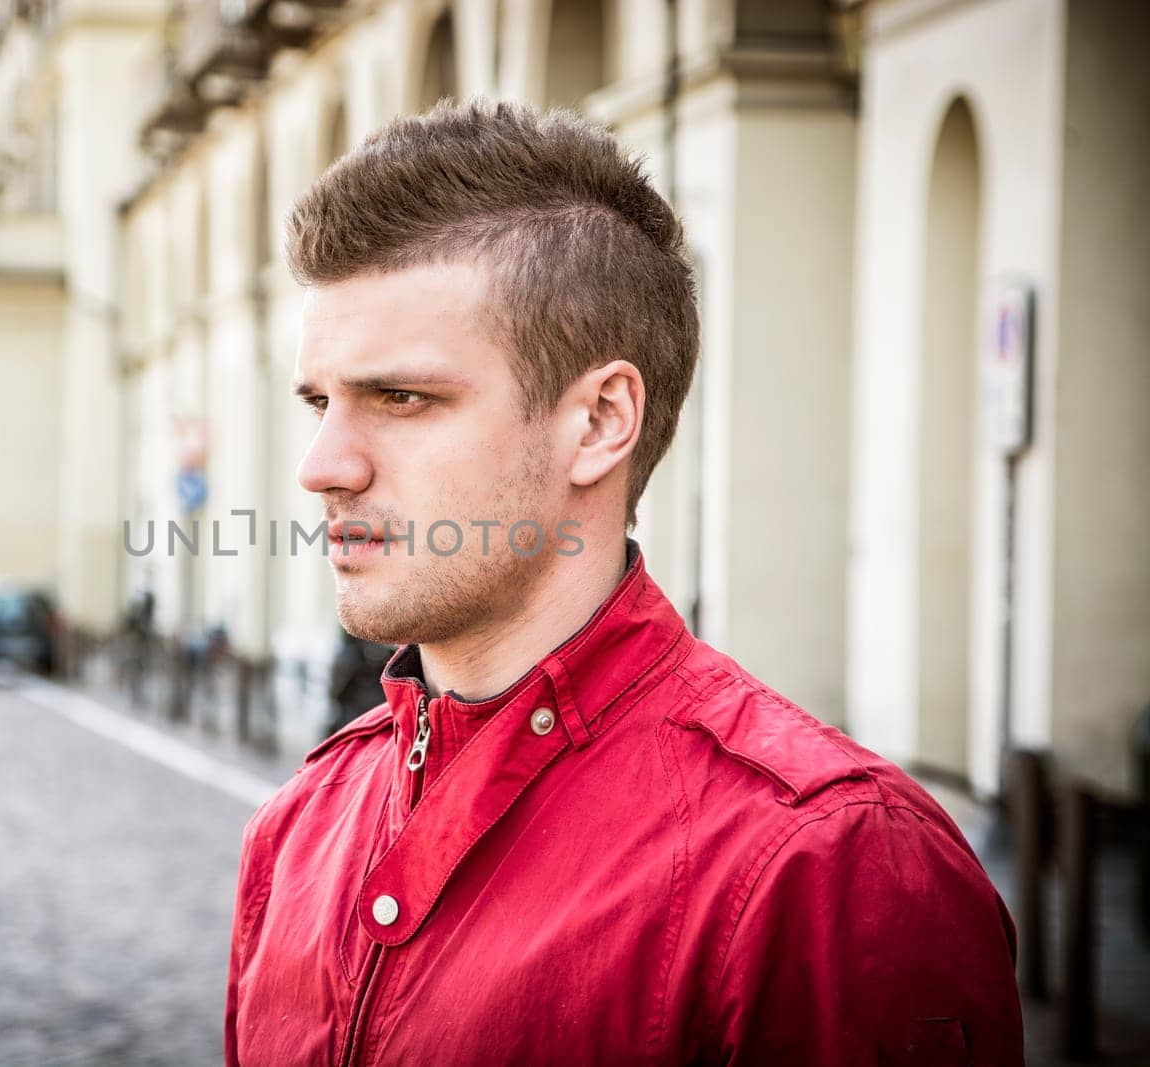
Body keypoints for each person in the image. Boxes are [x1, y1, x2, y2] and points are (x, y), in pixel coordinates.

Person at [225, 101, 1022, 1065]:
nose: (321, 464)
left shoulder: (828, 870)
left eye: (401, 397)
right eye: (320, 401)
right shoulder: (298, 831)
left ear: (600, 421)